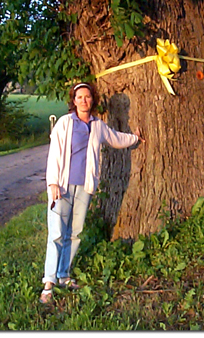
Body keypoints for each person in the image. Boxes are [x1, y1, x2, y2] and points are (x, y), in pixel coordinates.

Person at [40, 82, 144, 304]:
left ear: (92, 100)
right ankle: (48, 282)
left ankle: (63, 275)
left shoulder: (97, 125)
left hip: (84, 187)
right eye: (79, 97)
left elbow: (116, 138)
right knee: (57, 233)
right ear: (74, 100)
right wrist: (53, 183)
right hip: (63, 186)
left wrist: (134, 138)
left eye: (87, 97)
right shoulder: (65, 123)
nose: (83, 101)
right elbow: (54, 155)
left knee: (75, 233)